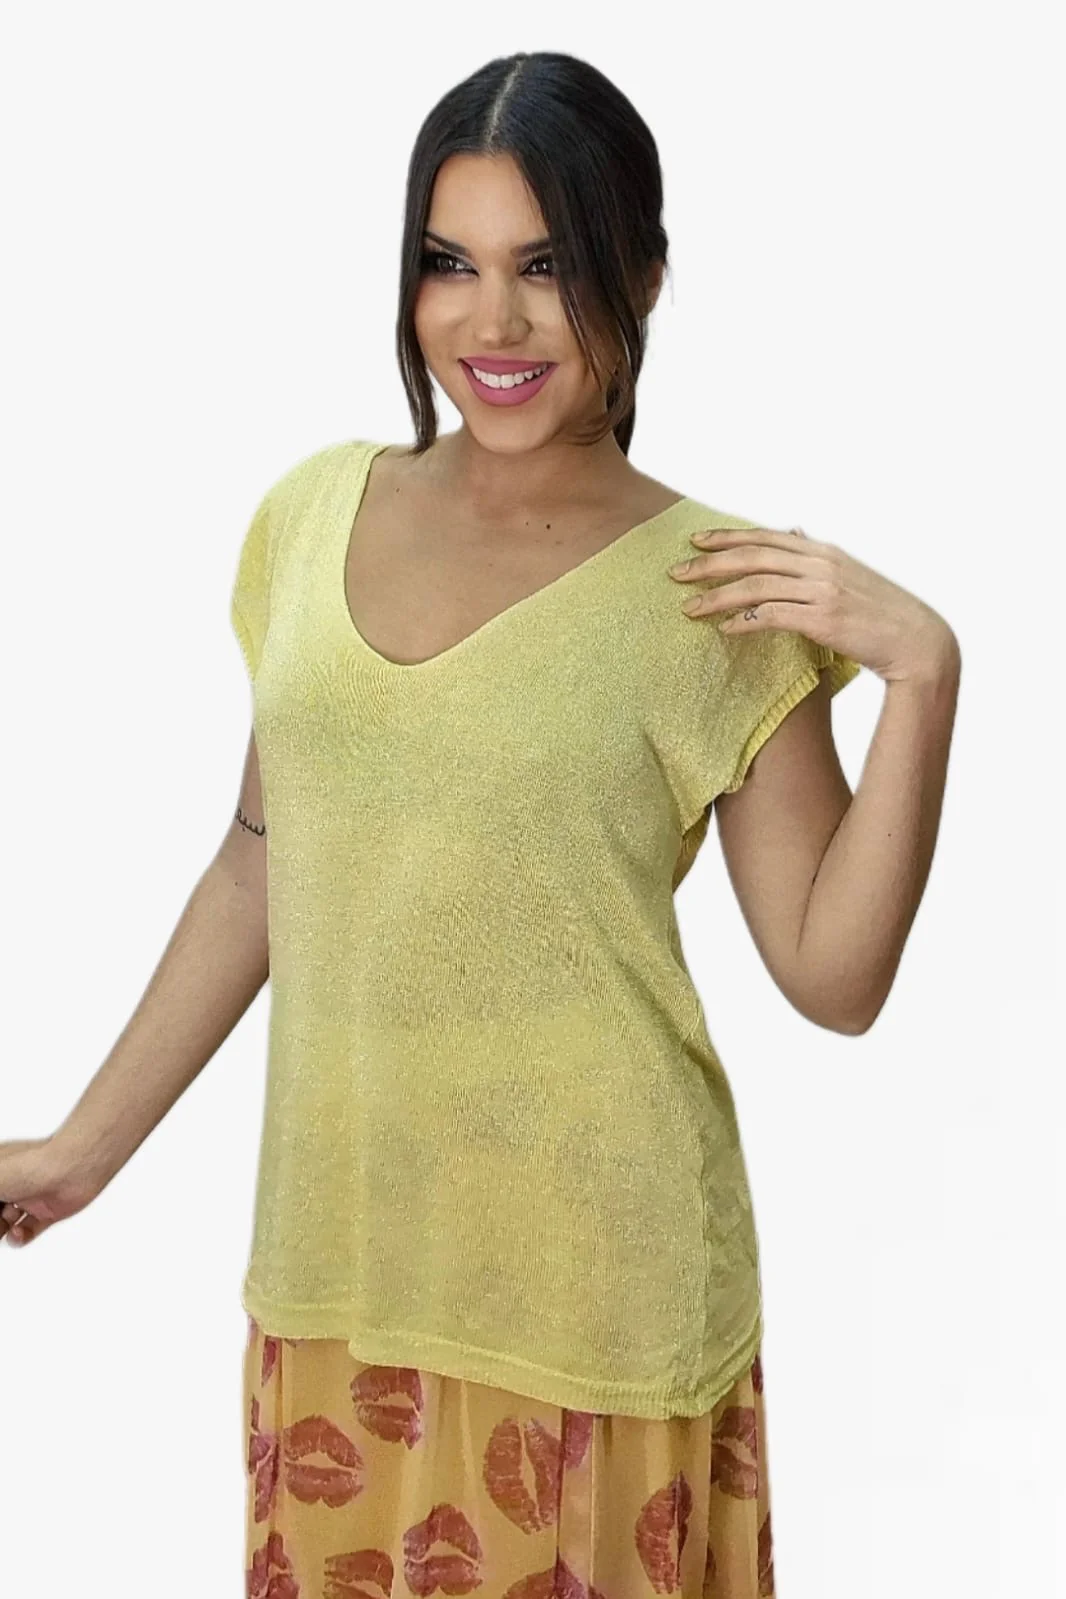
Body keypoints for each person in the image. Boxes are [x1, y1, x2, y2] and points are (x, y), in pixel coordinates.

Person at [1, 49, 961, 1596]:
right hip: (341, 1276)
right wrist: (81, 1147)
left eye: (548, 267)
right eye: (448, 264)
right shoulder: (311, 513)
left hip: (594, 1307)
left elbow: (833, 976)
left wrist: (921, 672)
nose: (490, 323)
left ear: (642, 277)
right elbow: (259, 861)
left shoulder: (715, 590)